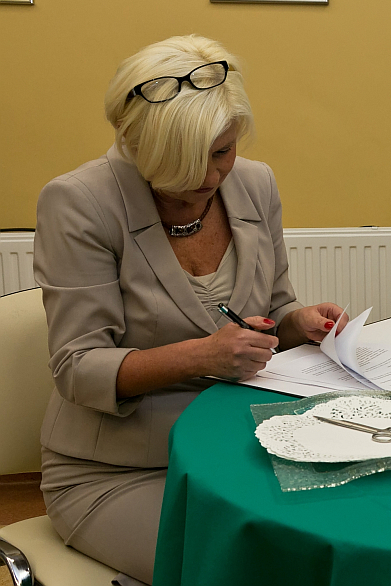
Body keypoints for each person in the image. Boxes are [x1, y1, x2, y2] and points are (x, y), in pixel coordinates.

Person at [33, 35, 346, 586]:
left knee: (329, 545)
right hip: (121, 472)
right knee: (256, 570)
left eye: (222, 152)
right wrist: (203, 355)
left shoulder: (255, 183)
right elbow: (77, 368)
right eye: (183, 162)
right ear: (136, 147)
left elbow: (275, 308)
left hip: (243, 450)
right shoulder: (79, 202)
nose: (209, 177)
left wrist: (298, 323)